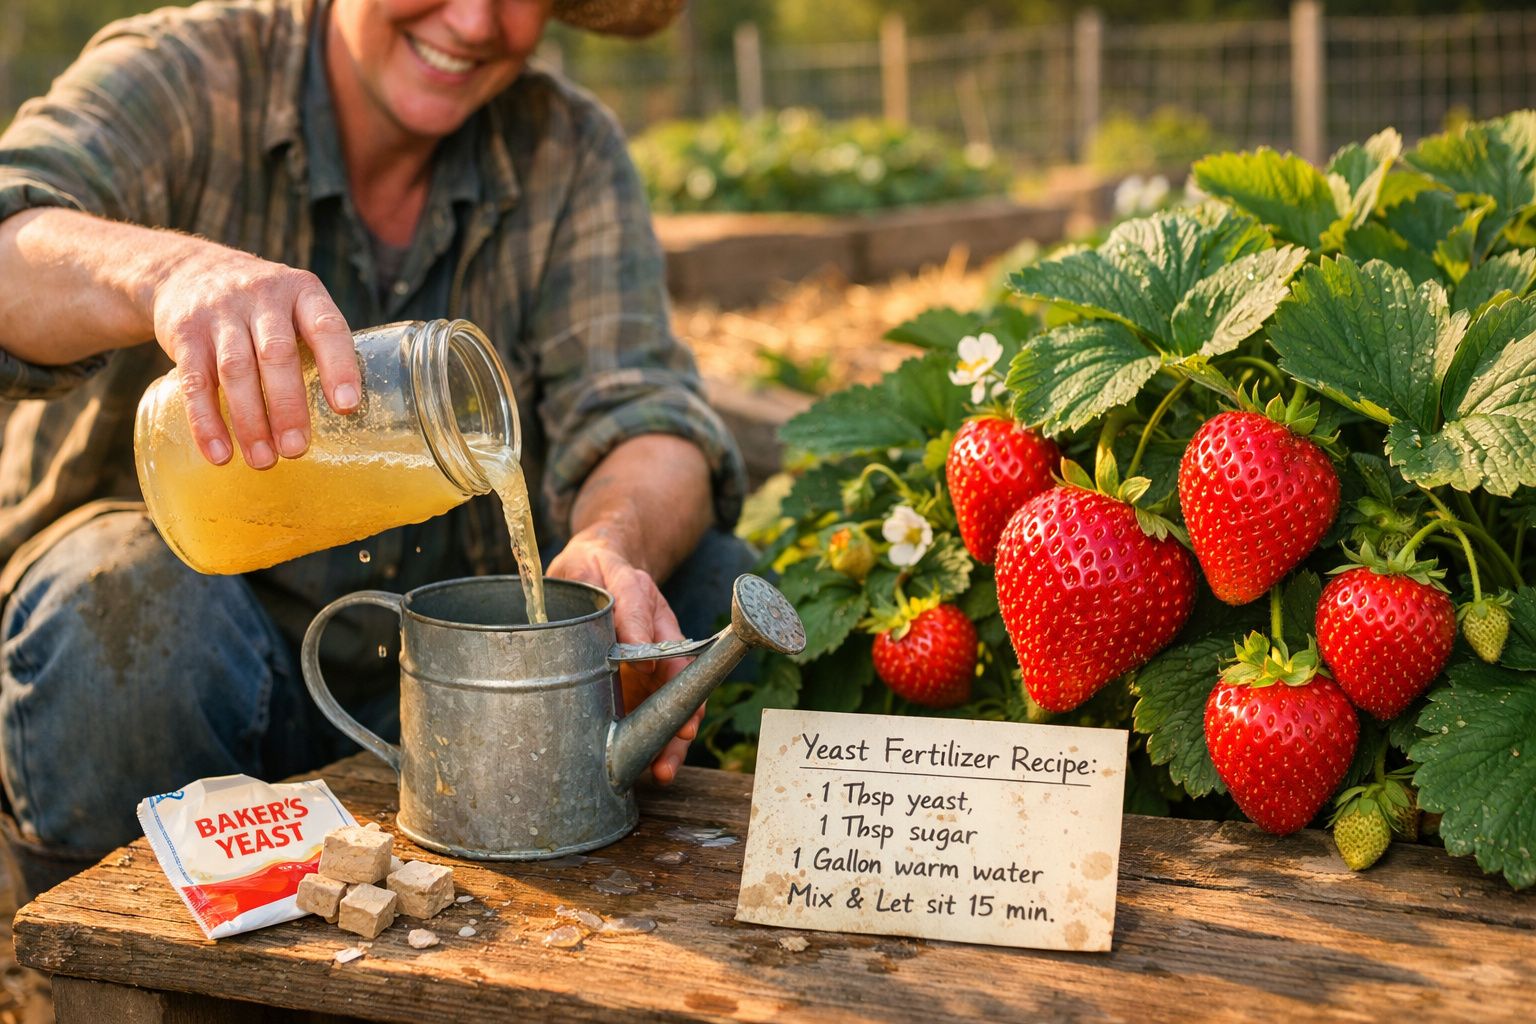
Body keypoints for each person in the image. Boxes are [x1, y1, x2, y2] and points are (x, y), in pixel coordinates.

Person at [0, 0, 748, 898]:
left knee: (694, 590)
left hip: (450, 707)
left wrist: (612, 545)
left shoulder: (565, 149)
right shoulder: (191, 76)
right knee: (119, 606)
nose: (474, 21)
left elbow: (646, 411)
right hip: (191, 681)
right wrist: (169, 274)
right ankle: (114, 940)